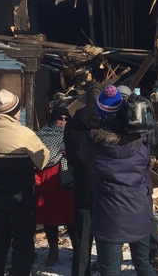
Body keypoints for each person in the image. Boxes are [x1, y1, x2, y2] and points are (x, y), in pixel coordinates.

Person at [78, 85, 157, 276]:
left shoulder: (93, 143)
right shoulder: (141, 142)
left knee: (110, 270)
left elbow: (82, 156)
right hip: (138, 213)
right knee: (144, 265)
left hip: (108, 217)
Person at [0, 89, 50, 276]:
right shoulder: (23, 133)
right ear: (14, 111)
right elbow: (43, 160)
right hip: (19, 195)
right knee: (23, 241)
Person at [116, 85, 158, 261]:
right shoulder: (141, 114)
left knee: (127, 217)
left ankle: (155, 251)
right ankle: (155, 252)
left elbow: (153, 139)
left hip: (126, 177)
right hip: (139, 177)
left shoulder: (137, 117)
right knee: (145, 215)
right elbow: (154, 140)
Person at [64, 87, 102, 276]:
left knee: (82, 237)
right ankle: (109, 270)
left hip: (82, 184)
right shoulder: (110, 122)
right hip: (106, 186)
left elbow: (69, 155)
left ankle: (80, 272)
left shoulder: (73, 123)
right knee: (107, 236)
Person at [35, 106, 75, 266]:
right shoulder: (40, 136)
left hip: (66, 180)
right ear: (53, 119)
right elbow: (34, 155)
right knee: (49, 218)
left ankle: (77, 249)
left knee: (70, 217)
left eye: (66, 119)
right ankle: (53, 250)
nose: (63, 121)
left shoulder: (72, 135)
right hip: (47, 180)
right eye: (60, 118)